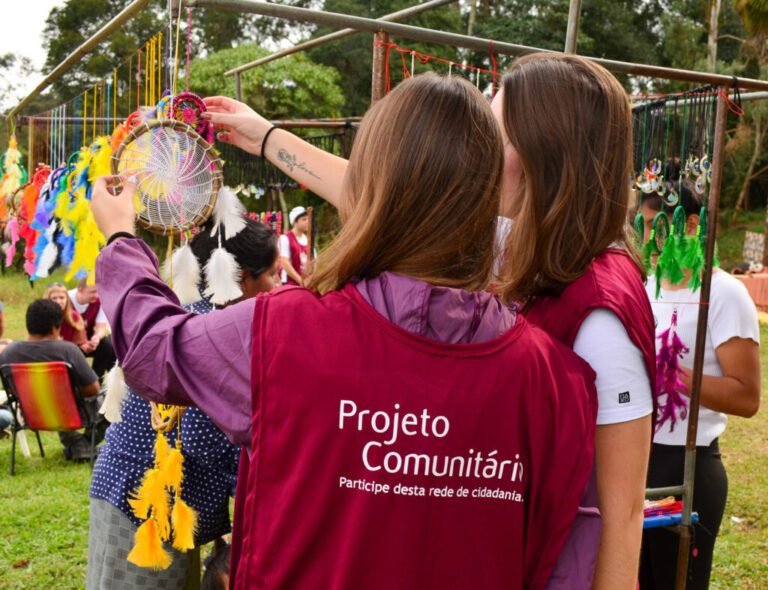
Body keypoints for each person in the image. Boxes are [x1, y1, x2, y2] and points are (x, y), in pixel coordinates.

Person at [93, 74, 598, 589]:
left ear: (369, 188)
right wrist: (267, 138)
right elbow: (566, 557)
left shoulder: (284, 332)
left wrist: (119, 237)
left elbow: (153, 351)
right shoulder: (555, 381)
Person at [202, 55, 655, 590]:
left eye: (494, 133)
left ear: (543, 156)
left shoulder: (599, 311)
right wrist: (265, 137)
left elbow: (619, 519)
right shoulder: (526, 241)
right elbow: (391, 202)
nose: (477, 153)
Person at [86, 218, 280, 590]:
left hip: (156, 500)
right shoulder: (214, 329)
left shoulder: (186, 308)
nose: (279, 286)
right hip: (144, 503)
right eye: (273, 275)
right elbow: (201, 438)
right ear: (241, 277)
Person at [638, 181, 760, 590]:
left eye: (658, 226)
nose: (648, 238)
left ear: (692, 223)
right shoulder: (647, 285)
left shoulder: (724, 292)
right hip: (637, 459)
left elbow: (746, 395)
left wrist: (675, 376)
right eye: (643, 225)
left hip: (689, 463)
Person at [0, 298, 104, 460]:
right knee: (114, 400)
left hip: (31, 415)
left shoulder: (8, 353)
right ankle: (82, 447)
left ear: (28, 324)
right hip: (73, 414)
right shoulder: (67, 350)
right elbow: (93, 389)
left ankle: (78, 446)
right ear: (57, 327)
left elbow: (11, 390)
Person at [68, 279, 117, 379]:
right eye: (93, 292)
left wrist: (96, 338)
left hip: (87, 337)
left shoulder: (99, 302)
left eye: (99, 291)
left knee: (107, 345)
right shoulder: (66, 299)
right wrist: (80, 344)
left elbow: (101, 327)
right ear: (80, 289)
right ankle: (77, 385)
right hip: (67, 340)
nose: (97, 295)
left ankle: (97, 381)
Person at [47, 283, 87, 347]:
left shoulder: (74, 316)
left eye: (62, 298)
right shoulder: (42, 317)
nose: (58, 301)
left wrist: (87, 346)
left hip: (69, 352)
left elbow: (80, 342)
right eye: (54, 298)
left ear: (67, 299)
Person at [279, 206, 310, 285]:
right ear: (294, 222)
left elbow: (313, 261)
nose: (307, 222)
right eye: (304, 219)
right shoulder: (285, 238)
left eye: (308, 219)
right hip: (289, 284)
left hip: (306, 283)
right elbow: (284, 262)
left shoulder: (308, 239)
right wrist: (300, 281)